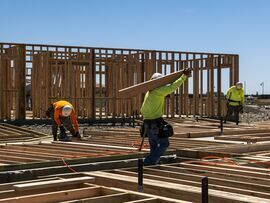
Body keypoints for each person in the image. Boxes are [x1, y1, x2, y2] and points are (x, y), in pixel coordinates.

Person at [140, 69, 192, 165]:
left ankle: (153, 162)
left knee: (154, 146)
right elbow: (172, 87)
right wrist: (183, 76)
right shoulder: (158, 91)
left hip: (147, 122)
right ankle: (148, 161)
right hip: (155, 122)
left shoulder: (149, 92)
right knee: (164, 144)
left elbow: (142, 110)